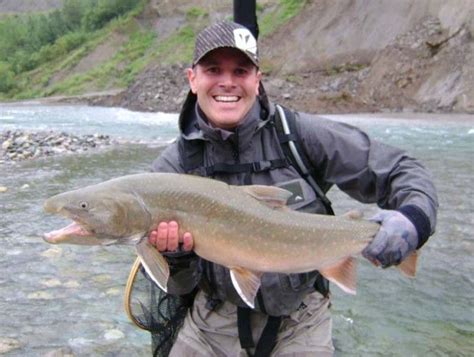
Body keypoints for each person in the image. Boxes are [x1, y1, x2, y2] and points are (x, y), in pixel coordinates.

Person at [146, 21, 438, 356]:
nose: (227, 82)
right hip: (211, 321)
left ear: (257, 79)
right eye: (214, 69)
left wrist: (414, 220)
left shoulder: (299, 136)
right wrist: (175, 256)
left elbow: (403, 170)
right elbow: (176, 285)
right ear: (192, 78)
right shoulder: (171, 170)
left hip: (302, 319)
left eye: (240, 70)